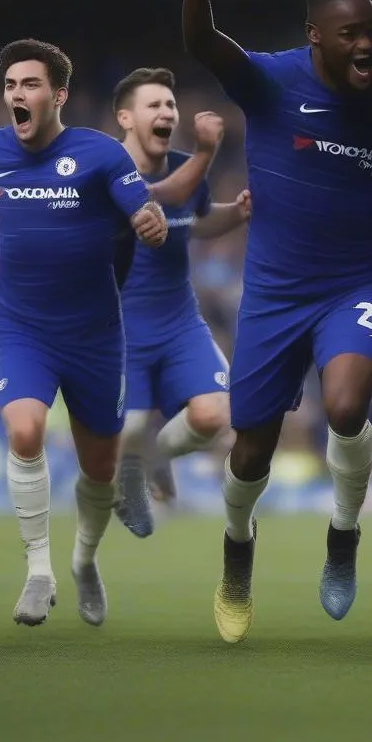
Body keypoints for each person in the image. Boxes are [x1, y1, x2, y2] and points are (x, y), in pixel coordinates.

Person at [183, 0, 372, 642]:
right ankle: (238, 549)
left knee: (349, 405)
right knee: (251, 452)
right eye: (350, 34)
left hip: (355, 282)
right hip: (273, 292)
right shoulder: (270, 83)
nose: (365, 44)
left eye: (370, 30)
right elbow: (201, 41)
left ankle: (344, 531)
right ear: (315, 36)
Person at [0, 37, 214, 628]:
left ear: (59, 95)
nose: (17, 95)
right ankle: (39, 572)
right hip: (22, 328)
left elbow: (137, 208)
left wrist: (148, 223)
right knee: (24, 431)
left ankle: (83, 561)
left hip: (96, 336)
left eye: (31, 85)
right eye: (11, 86)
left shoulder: (99, 155)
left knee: (99, 470)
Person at [112, 66, 249, 537]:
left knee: (214, 415)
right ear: (125, 118)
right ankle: (136, 463)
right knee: (127, 429)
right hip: (121, 325)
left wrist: (239, 212)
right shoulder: (106, 169)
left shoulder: (188, 168)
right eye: (154, 104)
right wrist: (208, 153)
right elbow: (154, 196)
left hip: (177, 320)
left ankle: (152, 462)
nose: (167, 111)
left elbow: (197, 219)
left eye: (170, 104)